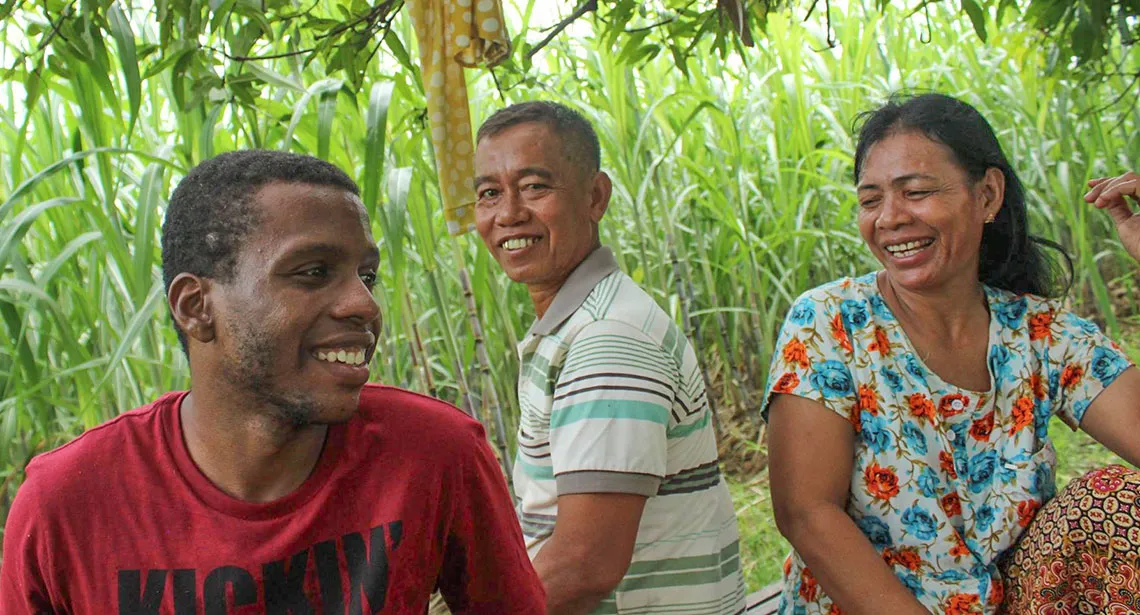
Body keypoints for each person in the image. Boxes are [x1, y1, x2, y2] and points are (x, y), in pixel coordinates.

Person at [0, 150, 545, 614]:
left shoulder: (434, 454)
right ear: (196, 307)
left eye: (367, 275)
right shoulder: (67, 503)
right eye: (312, 272)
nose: (364, 304)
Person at [762, 92, 1140, 615]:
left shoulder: (1038, 332)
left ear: (987, 195)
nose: (890, 218)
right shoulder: (832, 321)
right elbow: (807, 513)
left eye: (914, 192)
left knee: (1115, 501)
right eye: (870, 200)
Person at [473, 100, 747, 615]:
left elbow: (583, 566)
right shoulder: (584, 322)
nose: (507, 213)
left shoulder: (606, 341)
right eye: (490, 193)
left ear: (595, 197)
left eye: (535, 187)